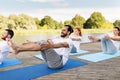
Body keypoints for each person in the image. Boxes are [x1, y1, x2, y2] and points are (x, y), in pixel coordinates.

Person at [8, 25, 74, 69]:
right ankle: (18, 49)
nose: (62, 31)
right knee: (43, 42)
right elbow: (45, 41)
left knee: (45, 44)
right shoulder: (58, 38)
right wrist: (32, 42)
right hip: (49, 62)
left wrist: (51, 44)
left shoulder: (69, 41)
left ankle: (18, 48)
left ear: (68, 32)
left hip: (58, 63)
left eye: (64, 30)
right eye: (62, 30)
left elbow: (61, 45)